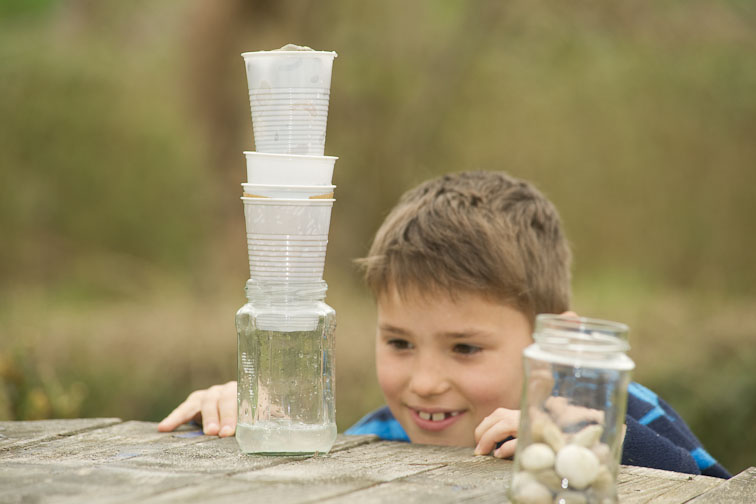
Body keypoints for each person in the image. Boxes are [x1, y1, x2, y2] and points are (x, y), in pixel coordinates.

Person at [158, 171, 730, 478]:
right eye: (399, 342)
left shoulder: (626, 414)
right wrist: (233, 424)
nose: (425, 381)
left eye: (464, 348)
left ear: (560, 344)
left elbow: (716, 491)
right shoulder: (374, 438)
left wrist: (607, 443)